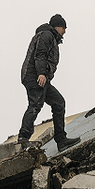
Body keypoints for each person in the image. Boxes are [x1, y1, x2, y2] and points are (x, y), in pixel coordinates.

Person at [18, 14, 80, 150]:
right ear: (57, 26)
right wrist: (41, 73)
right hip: (35, 76)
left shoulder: (49, 36)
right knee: (35, 104)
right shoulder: (47, 35)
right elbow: (40, 54)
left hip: (41, 77)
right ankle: (23, 139)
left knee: (58, 103)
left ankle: (61, 140)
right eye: (64, 28)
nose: (65, 32)